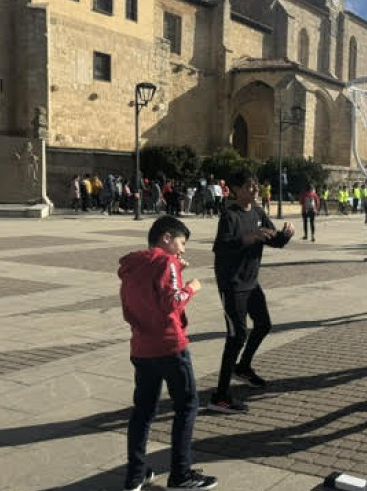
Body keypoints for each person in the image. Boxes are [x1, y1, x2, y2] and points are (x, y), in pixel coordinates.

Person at [118, 216, 218, 491]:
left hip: (142, 346)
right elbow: (171, 302)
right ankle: (181, 474)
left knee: (143, 411)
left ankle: (136, 475)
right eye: (181, 242)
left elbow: (138, 304)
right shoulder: (166, 261)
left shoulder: (132, 265)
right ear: (166, 237)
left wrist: (177, 274)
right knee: (187, 406)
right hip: (170, 346)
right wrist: (191, 287)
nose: (182, 250)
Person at [208, 170, 295, 414]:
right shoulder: (230, 215)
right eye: (249, 186)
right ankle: (220, 396)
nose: (255, 189)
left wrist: (285, 236)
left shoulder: (257, 211)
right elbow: (221, 248)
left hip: (251, 281)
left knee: (264, 325)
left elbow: (273, 239)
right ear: (236, 190)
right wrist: (250, 237)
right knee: (236, 337)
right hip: (232, 284)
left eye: (256, 184)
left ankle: (243, 368)